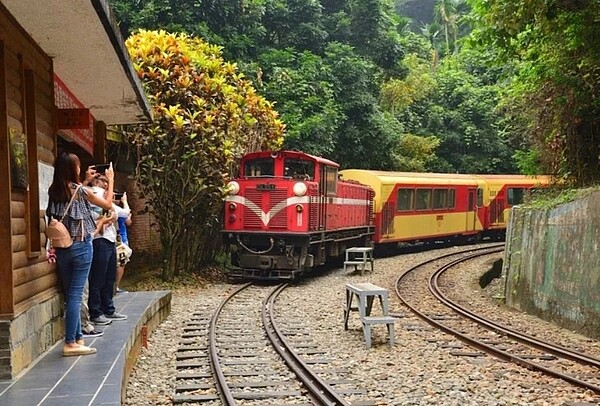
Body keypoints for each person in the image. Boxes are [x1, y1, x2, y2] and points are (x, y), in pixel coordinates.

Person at [46, 152, 114, 356]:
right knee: (75, 296)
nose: (79, 169)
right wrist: (110, 180)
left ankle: (77, 338)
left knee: (70, 294)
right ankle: (70, 342)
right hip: (81, 247)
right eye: (77, 166)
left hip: (62, 248)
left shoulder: (53, 191)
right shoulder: (80, 191)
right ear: (71, 169)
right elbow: (108, 204)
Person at [88, 176, 129, 325]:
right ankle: (96, 312)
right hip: (99, 240)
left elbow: (123, 214)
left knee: (109, 277)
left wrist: (113, 208)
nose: (105, 187)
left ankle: (108, 309)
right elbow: (101, 211)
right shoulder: (91, 193)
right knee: (98, 278)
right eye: (102, 183)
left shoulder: (105, 197)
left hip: (110, 239)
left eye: (107, 184)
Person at [115, 192, 132, 294]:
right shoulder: (109, 207)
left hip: (122, 238)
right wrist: (125, 202)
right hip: (115, 239)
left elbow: (128, 222)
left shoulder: (119, 210)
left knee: (121, 263)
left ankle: (116, 286)